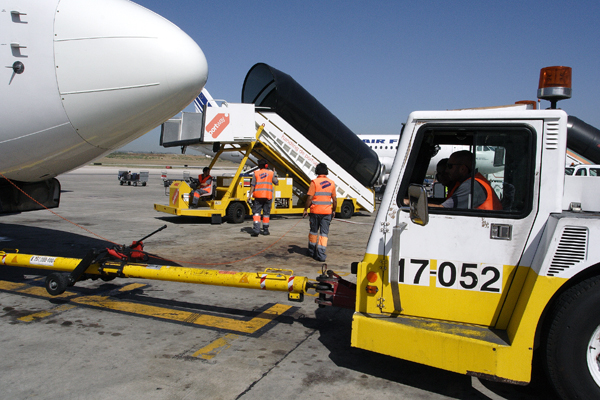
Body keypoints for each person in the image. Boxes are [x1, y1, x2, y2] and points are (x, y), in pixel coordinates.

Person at [302, 163, 337, 262]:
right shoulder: (332, 183)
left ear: (317, 171)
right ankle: (321, 255)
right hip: (327, 212)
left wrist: (305, 209)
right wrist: (333, 211)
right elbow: (334, 200)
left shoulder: (314, 182)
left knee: (313, 232)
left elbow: (309, 198)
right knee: (323, 234)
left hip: (315, 212)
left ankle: (311, 252)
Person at [249, 159, 278, 236]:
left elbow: (253, 185)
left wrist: (249, 195)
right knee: (266, 214)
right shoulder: (271, 173)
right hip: (268, 196)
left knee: (256, 214)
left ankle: (256, 230)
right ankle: (265, 230)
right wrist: (275, 174)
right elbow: (276, 183)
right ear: (266, 165)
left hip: (258, 196)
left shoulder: (256, 173)